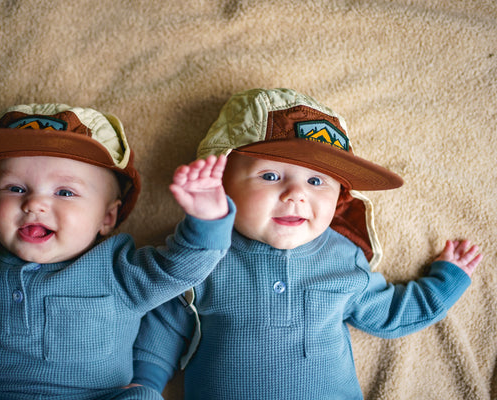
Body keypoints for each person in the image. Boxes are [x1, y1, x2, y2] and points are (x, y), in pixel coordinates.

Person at [131, 88, 483, 399]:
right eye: (270, 176)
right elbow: (165, 328)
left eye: (317, 181)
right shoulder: (199, 257)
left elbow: (388, 313)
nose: (296, 194)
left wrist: (446, 280)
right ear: (219, 183)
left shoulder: (344, 258)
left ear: (340, 199)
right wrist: (144, 382)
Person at [0, 103, 235, 400]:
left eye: (65, 192)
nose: (34, 204)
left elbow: (179, 268)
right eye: (15, 188)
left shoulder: (119, 270)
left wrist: (206, 219)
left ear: (107, 217)